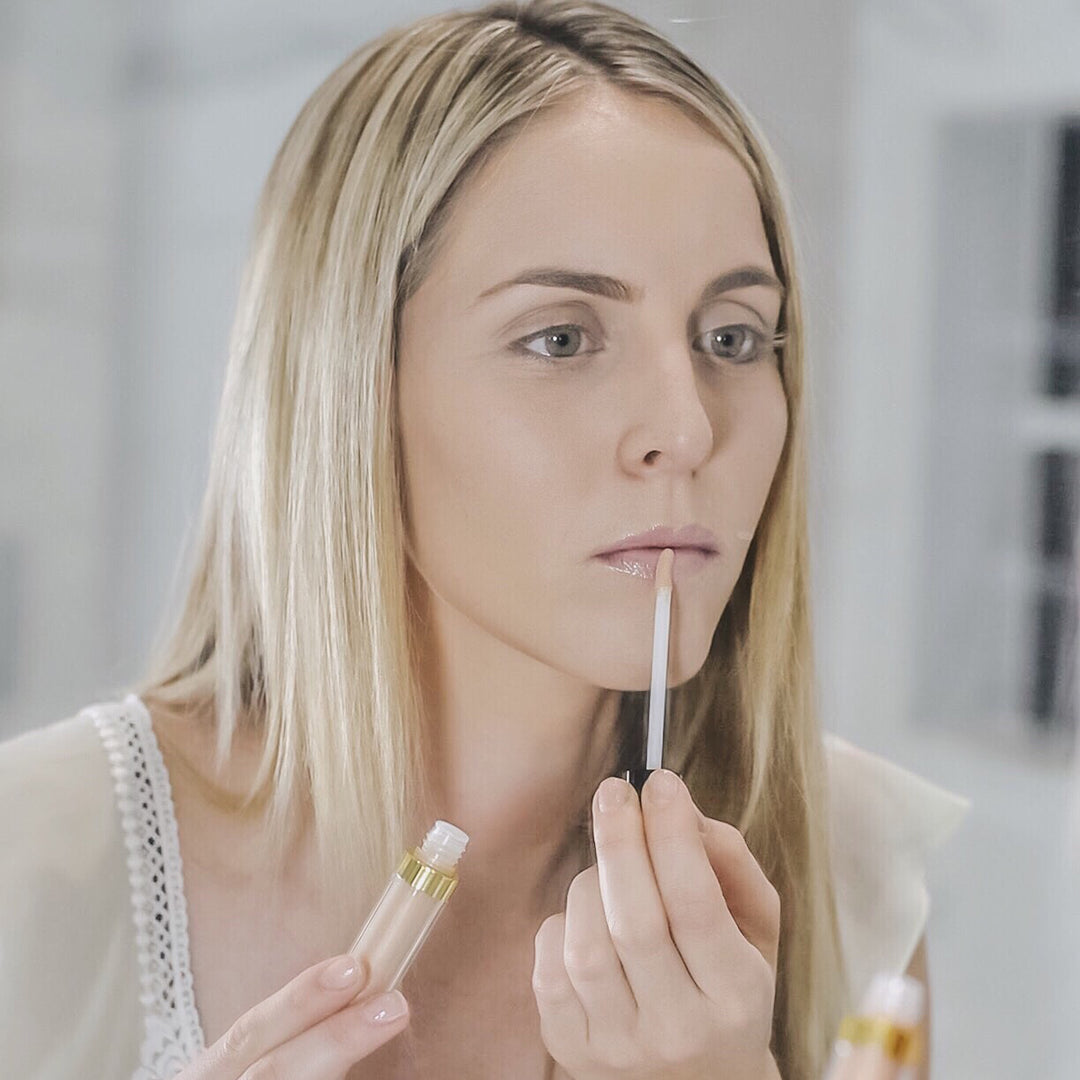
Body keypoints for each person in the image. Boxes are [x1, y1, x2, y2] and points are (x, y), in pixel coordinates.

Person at [0, 2, 968, 1078]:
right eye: (561, 338)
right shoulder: (33, 867)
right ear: (352, 388)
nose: (689, 428)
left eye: (732, 338)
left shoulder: (850, 877)